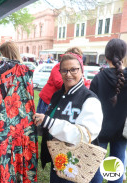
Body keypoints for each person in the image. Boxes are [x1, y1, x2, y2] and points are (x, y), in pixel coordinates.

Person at [33, 49, 103, 182]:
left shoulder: (90, 100)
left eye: (73, 70)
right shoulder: (57, 95)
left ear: (82, 71)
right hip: (59, 162)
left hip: (79, 166)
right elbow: (49, 124)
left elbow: (85, 135)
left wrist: (50, 122)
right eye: (64, 70)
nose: (68, 74)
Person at [90, 38, 127, 183]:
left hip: (100, 130)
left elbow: (90, 106)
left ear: (106, 56)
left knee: (96, 165)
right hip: (122, 131)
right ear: (123, 56)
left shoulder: (98, 78)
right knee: (117, 166)